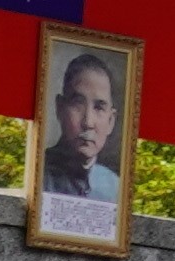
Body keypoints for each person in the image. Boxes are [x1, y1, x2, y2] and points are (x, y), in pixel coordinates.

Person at [40, 47, 125, 207]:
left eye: (99, 107)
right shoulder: (38, 175)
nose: (88, 122)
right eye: (77, 103)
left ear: (111, 121)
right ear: (60, 108)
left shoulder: (115, 188)